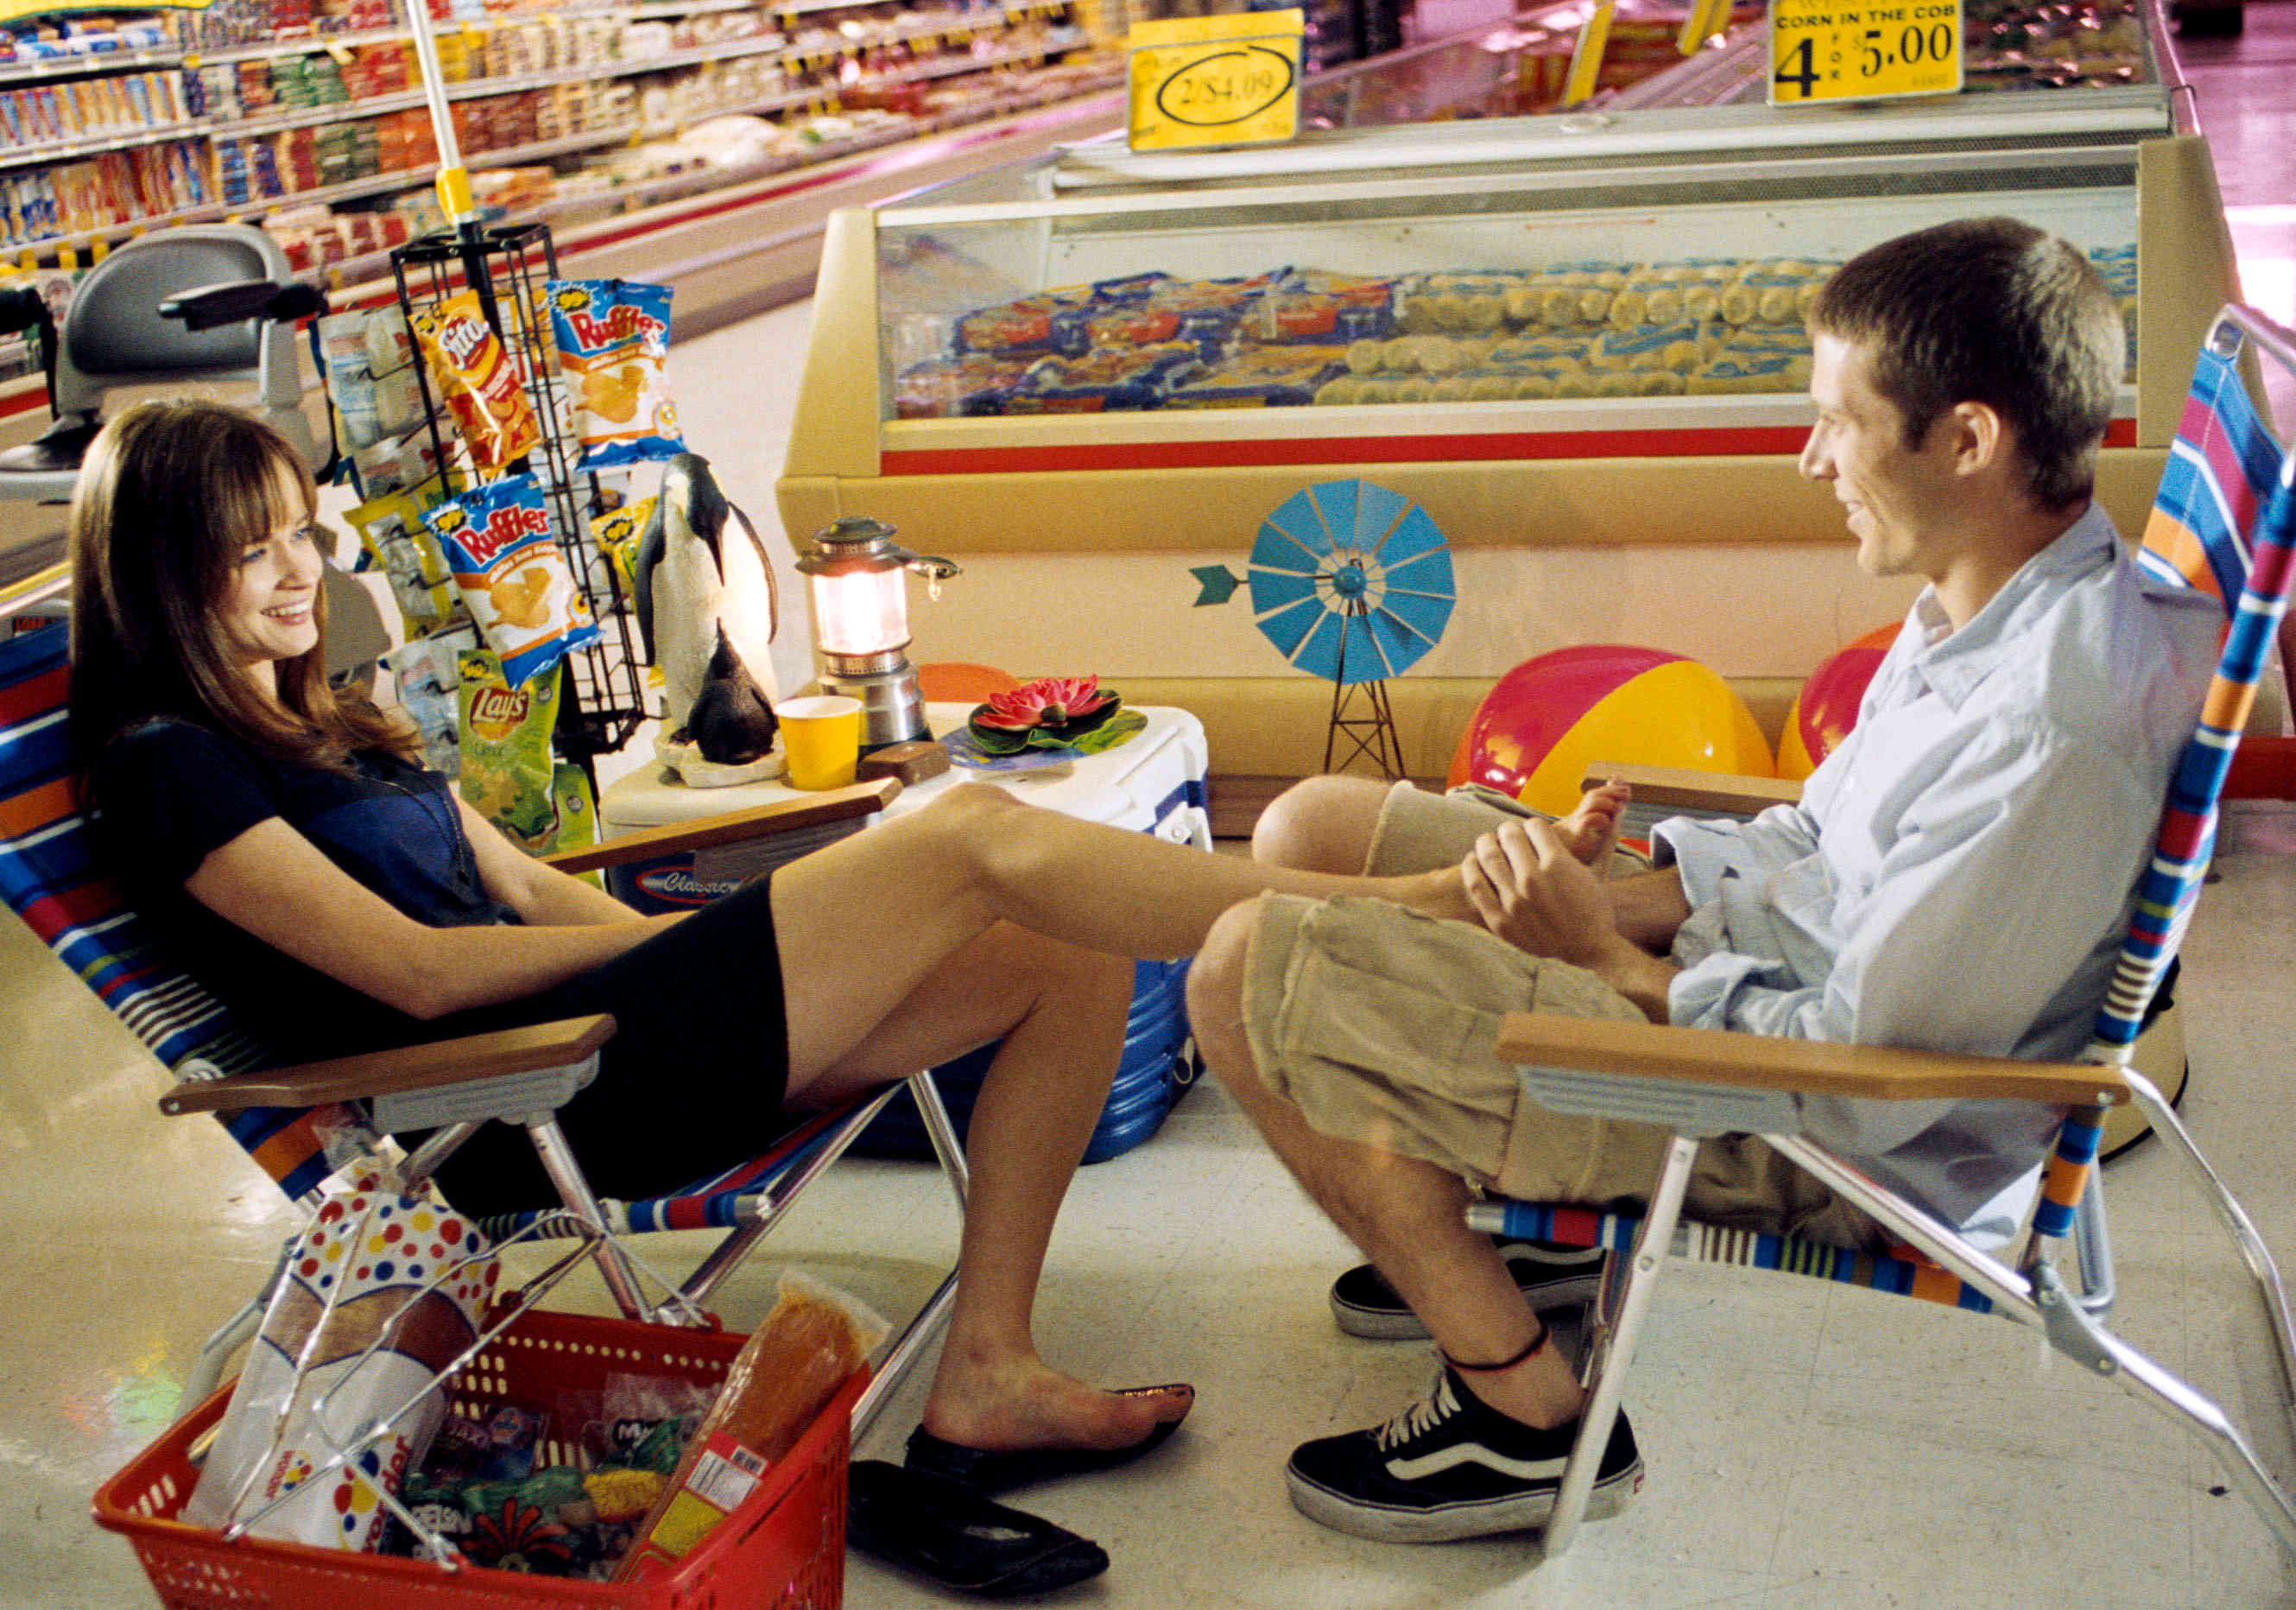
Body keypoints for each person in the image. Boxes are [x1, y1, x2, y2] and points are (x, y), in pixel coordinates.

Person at [66, 396, 1477, 1493]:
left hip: (609, 1030)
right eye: (248, 551)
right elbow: (416, 976)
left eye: (302, 534)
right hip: (515, 1092)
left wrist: (681, 947)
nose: (296, 571)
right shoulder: (168, 765)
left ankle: (985, 1371)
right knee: (971, 827)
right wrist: (709, 943)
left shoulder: (333, 725)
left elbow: (535, 894)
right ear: (164, 574)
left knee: (1059, 946)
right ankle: (1420, 917)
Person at [1183, 216, 2225, 1544]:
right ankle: (1539, 1235)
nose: (1810, 461)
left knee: (1238, 971)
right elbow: (1826, 851)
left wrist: (1612, 965)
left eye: (1840, 424)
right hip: (1775, 1017)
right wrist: (1639, 885)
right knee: (1315, 829)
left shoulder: (2047, 728)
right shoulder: (1996, 601)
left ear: (1968, 441)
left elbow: (1870, 1066)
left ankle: (1521, 1418)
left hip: (1816, 1135)